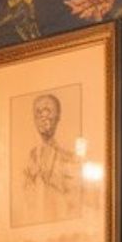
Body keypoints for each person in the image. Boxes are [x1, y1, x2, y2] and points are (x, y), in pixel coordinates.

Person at [19, 92, 81, 222]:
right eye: (38, 112)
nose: (43, 117)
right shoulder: (30, 158)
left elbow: (75, 198)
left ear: (58, 116)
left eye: (48, 111)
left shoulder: (68, 158)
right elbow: (24, 197)